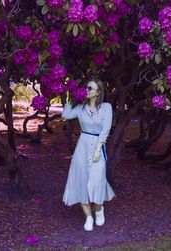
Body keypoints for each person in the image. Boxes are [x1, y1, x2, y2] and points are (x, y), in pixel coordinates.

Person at [61, 79, 116, 231]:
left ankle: (98, 209)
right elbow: (66, 114)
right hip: (82, 147)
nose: (87, 90)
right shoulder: (80, 108)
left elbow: (105, 130)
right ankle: (88, 217)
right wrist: (70, 98)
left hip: (98, 147)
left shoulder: (106, 108)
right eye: (86, 87)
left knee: (97, 181)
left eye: (90, 88)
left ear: (98, 92)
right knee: (81, 181)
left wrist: (98, 150)